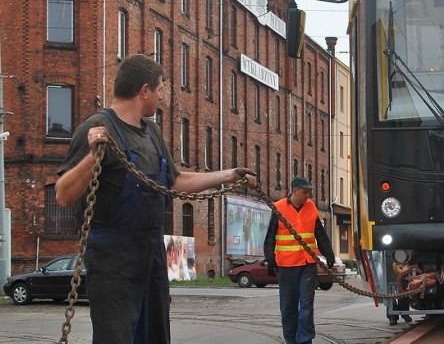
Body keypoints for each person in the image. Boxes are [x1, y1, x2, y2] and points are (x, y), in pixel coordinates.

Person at [55, 53, 257, 344]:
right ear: (144, 90)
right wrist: (92, 156)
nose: (162, 97)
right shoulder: (98, 127)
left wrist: (228, 175)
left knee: (154, 336)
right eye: (161, 88)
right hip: (113, 258)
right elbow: (63, 194)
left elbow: (174, 181)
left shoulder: (152, 131)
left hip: (151, 253)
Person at [263, 176, 336, 344]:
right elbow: (270, 238)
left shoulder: (311, 208)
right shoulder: (279, 208)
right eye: (305, 192)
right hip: (287, 266)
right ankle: (291, 340)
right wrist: (270, 260)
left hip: (307, 265)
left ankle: (305, 340)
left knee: (306, 304)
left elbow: (320, 235)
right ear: (295, 191)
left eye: (309, 192)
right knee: (288, 307)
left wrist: (328, 254)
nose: (308, 196)